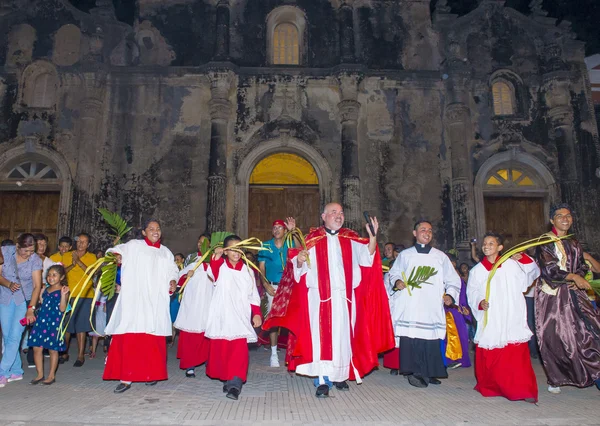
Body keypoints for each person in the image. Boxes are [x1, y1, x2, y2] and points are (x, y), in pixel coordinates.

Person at [263, 203, 394, 398]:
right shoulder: (311, 239)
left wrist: (373, 237)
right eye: (334, 212)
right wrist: (299, 259)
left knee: (343, 338)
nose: (338, 215)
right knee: (321, 339)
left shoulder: (350, 238)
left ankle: (340, 375)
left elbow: (368, 258)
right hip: (320, 299)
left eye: (341, 213)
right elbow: (298, 270)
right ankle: (323, 379)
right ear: (323, 216)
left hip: (344, 298)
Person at [102, 219, 178, 393]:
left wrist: (173, 280)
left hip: (156, 301)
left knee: (152, 340)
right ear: (144, 232)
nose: (155, 231)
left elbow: (172, 270)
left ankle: (151, 374)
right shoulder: (133, 245)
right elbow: (113, 251)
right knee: (131, 337)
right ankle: (126, 378)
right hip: (135, 300)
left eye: (158, 229)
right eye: (151, 229)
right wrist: (116, 255)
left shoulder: (166, 252)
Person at [387, 220, 461, 388]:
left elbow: (453, 279)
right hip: (411, 304)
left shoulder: (440, 256)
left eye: (429, 230)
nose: (426, 233)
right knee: (412, 337)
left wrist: (450, 294)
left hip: (431, 303)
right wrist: (398, 280)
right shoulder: (405, 255)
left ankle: (429, 371)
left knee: (431, 338)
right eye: (422, 230)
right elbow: (394, 272)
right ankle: (414, 372)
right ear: (415, 234)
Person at [467, 232, 540, 403]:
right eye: (484, 243)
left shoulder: (511, 264)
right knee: (493, 352)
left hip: (511, 313)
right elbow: (472, 292)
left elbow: (533, 271)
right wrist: (480, 302)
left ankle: (522, 389)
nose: (486, 246)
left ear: (500, 247)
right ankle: (494, 386)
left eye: (491, 243)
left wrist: (522, 258)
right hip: (492, 316)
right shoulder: (477, 271)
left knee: (515, 354)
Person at [535, 203, 600, 394]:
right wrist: (572, 277)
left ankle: (596, 375)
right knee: (557, 338)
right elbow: (549, 269)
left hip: (575, 294)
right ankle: (556, 377)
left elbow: (582, 265)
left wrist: (577, 277)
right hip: (553, 297)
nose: (565, 218)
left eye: (568, 215)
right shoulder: (545, 241)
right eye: (560, 215)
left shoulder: (573, 242)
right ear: (552, 220)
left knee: (590, 330)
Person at [204, 235, 262, 400]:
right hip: (222, 316)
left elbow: (253, 294)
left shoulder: (248, 270)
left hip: (240, 317)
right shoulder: (220, 266)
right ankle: (228, 379)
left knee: (238, 352)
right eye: (232, 249)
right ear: (226, 251)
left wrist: (256, 313)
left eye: (239, 248)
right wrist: (215, 256)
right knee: (223, 351)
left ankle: (235, 384)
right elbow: (213, 273)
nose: (237, 252)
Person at [0, 233, 43, 388]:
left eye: (32, 251)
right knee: (7, 336)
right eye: (26, 251)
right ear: (17, 246)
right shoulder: (5, 251)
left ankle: (2, 372)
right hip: (4, 298)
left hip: (23, 301)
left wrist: (31, 308)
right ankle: (17, 370)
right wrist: (8, 284)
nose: (29, 254)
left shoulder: (35, 260)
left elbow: (37, 286)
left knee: (14, 336)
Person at [258, 218, 296, 367]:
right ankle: (274, 353)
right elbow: (261, 268)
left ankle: (292, 352)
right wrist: (265, 283)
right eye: (275, 228)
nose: (277, 230)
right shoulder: (265, 246)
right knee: (273, 320)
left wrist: (294, 232)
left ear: (285, 230)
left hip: (289, 286)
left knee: (292, 319)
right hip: (273, 287)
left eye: (280, 227)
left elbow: (301, 249)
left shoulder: (290, 243)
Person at [174, 234, 213, 378]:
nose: (200, 244)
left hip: (209, 301)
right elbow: (179, 277)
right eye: (199, 242)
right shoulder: (191, 259)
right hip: (192, 302)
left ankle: (210, 360)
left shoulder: (216, 260)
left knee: (208, 333)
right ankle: (190, 365)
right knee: (190, 333)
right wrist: (186, 276)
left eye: (204, 242)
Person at [28, 264, 70, 385]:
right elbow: (43, 303)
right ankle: (40, 374)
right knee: (37, 347)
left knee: (53, 350)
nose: (51, 277)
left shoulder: (63, 290)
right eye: (49, 275)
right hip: (42, 320)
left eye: (54, 275)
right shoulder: (46, 289)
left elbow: (62, 309)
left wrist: (63, 296)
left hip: (54, 322)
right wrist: (41, 295)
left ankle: (51, 375)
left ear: (61, 277)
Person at [63, 232, 97, 367]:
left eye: (84, 242)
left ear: (88, 245)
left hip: (85, 295)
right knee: (66, 325)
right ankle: (63, 352)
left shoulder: (92, 257)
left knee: (81, 326)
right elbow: (61, 272)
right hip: (69, 294)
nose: (80, 244)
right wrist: (72, 263)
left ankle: (80, 355)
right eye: (78, 241)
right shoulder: (67, 255)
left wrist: (78, 262)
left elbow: (92, 273)